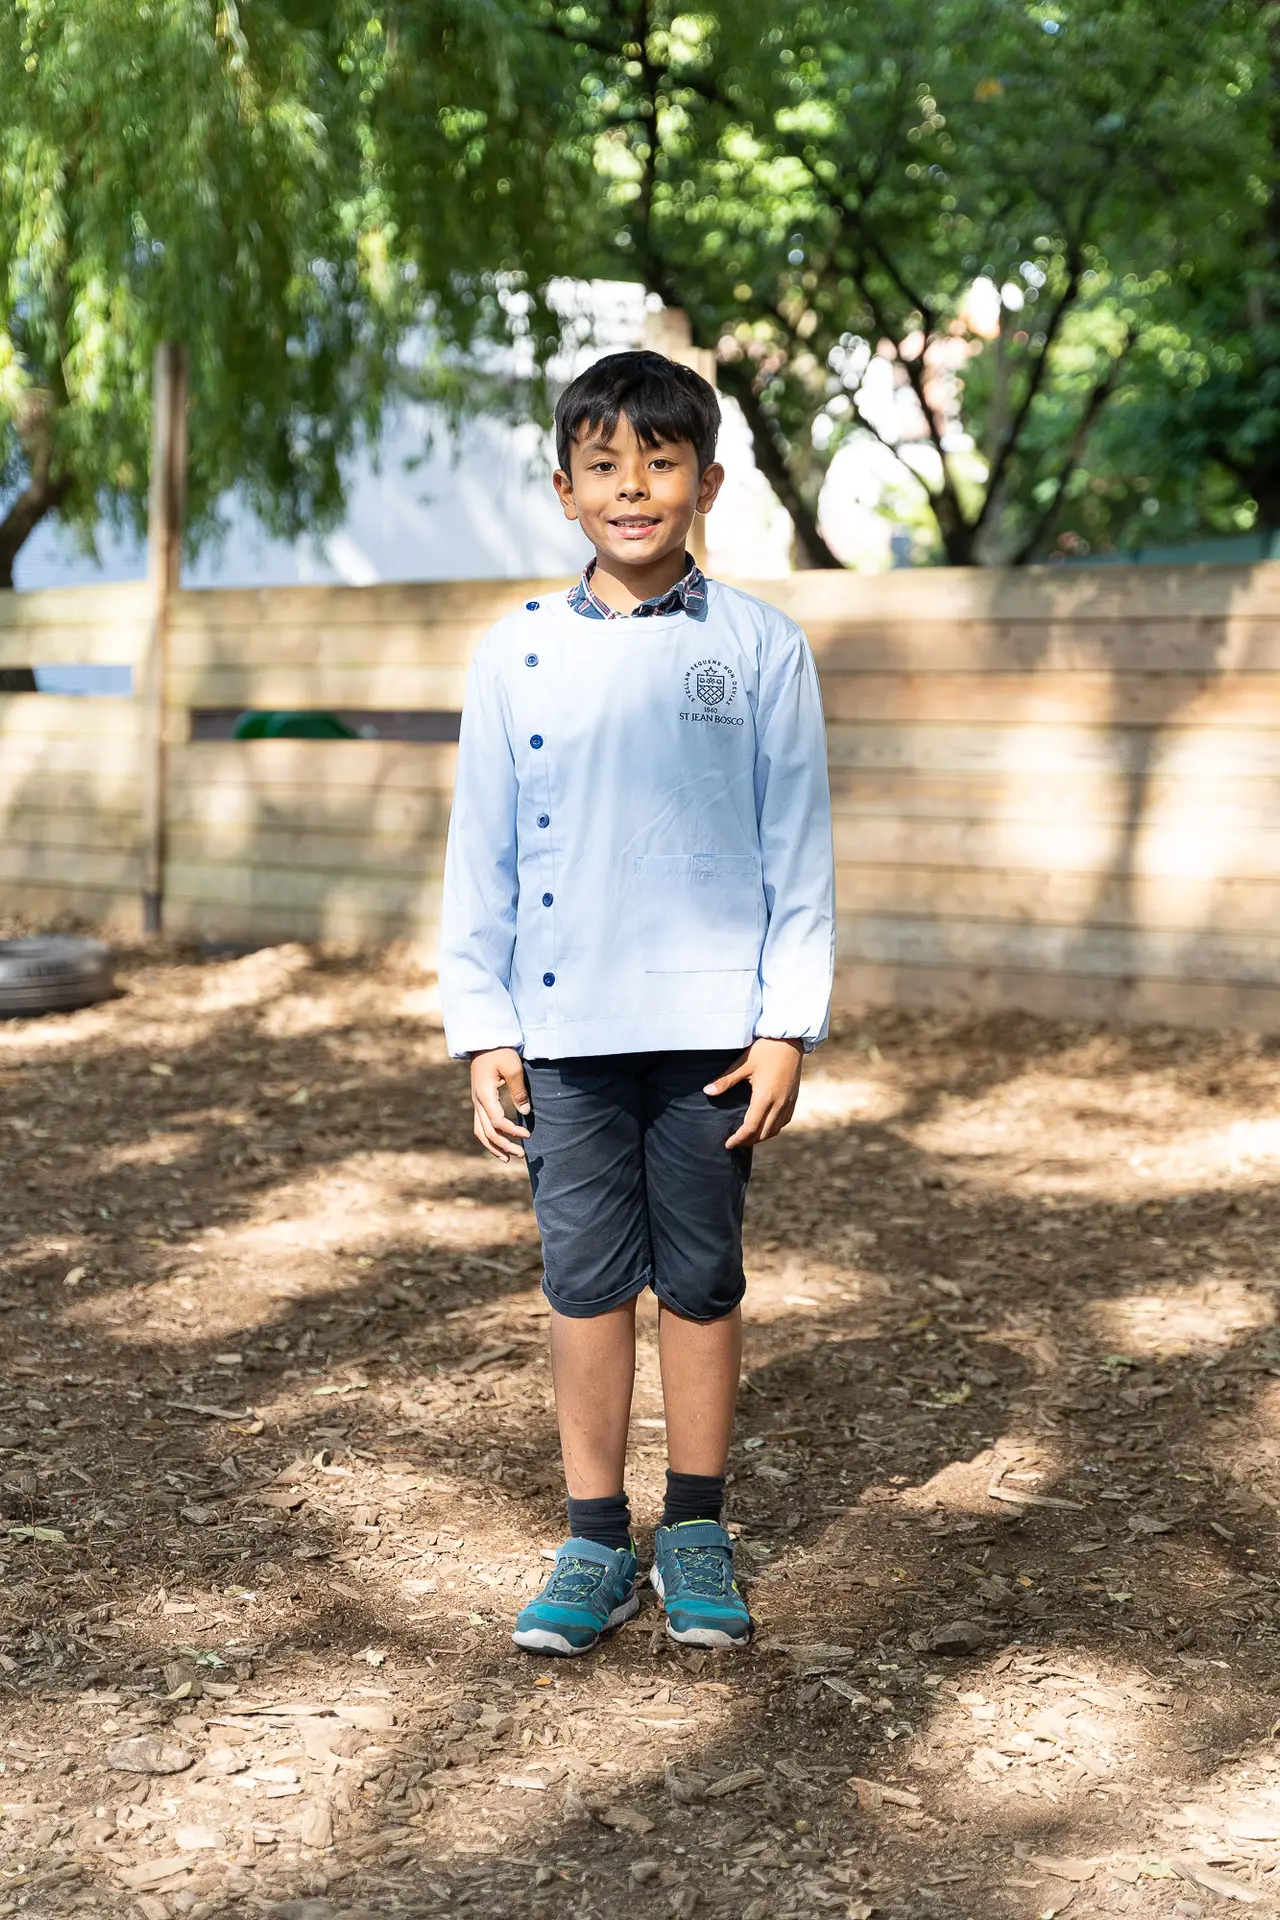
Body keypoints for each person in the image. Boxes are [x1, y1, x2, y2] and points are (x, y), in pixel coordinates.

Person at [438, 348, 835, 1656]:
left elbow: (800, 852)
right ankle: (596, 1538)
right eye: (604, 464)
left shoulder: (762, 648)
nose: (633, 487)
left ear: (708, 482)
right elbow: (480, 852)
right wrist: (485, 1028)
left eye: (660, 463)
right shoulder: (516, 656)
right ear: (564, 488)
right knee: (586, 1285)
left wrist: (786, 1023)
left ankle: (700, 1528)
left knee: (704, 1283)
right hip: (564, 1034)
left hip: (714, 1035)